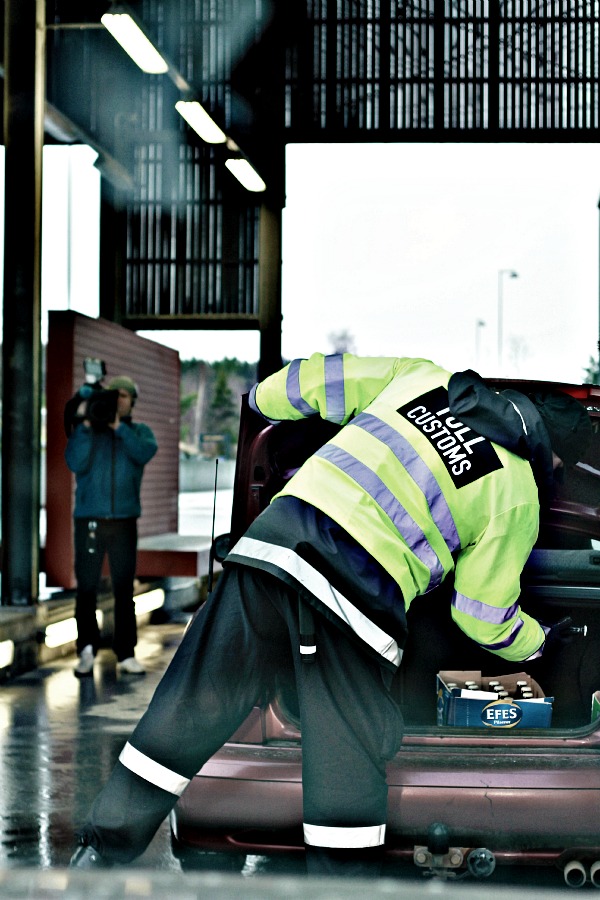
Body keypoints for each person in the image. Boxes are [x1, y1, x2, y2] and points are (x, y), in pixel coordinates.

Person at [69, 354, 592, 875]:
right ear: (548, 449)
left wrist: (261, 400)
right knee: (346, 755)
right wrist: (541, 642)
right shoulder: (518, 491)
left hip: (271, 551)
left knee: (188, 705)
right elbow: (481, 617)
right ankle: (336, 887)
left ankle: (99, 849)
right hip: (356, 598)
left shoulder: (422, 379)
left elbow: (306, 381)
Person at [65, 375, 158, 677]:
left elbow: (144, 453)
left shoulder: (139, 433)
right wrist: (87, 425)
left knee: (123, 589)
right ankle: (86, 651)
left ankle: (125, 654)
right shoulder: (90, 432)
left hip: (123, 522)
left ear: (132, 401)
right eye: (113, 396)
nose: (118, 401)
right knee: (87, 588)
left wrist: (118, 428)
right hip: (89, 520)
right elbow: (75, 463)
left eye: (124, 396)